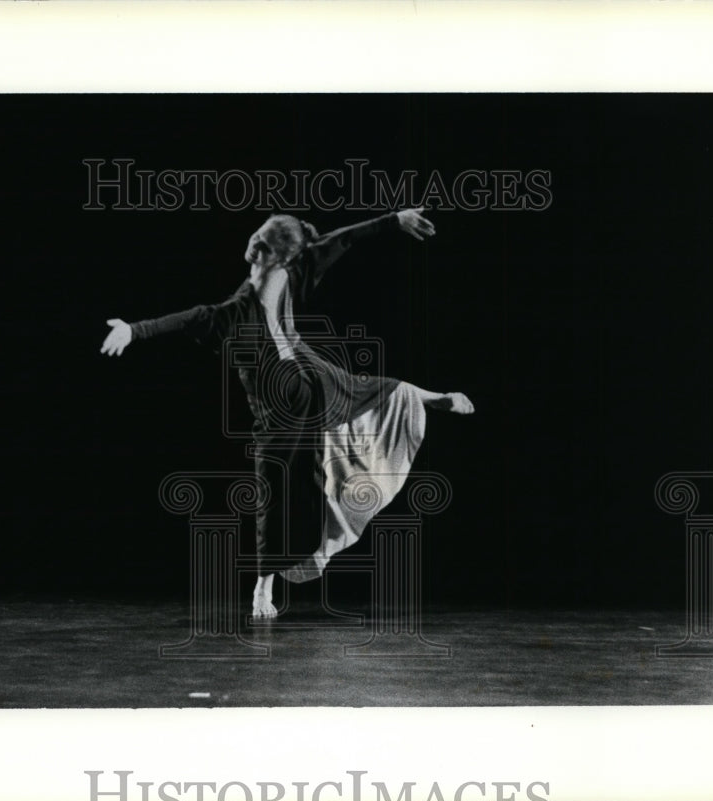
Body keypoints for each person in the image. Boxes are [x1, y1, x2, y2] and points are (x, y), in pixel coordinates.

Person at [101, 208, 474, 618]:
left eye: (263, 244)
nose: (254, 245)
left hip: (316, 379)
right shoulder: (236, 313)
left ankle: (433, 397)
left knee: (376, 389)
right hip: (281, 414)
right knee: (275, 496)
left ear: (277, 255)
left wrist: (393, 220)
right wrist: (133, 330)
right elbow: (189, 318)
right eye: (258, 236)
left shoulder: (300, 270)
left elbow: (342, 238)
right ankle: (263, 589)